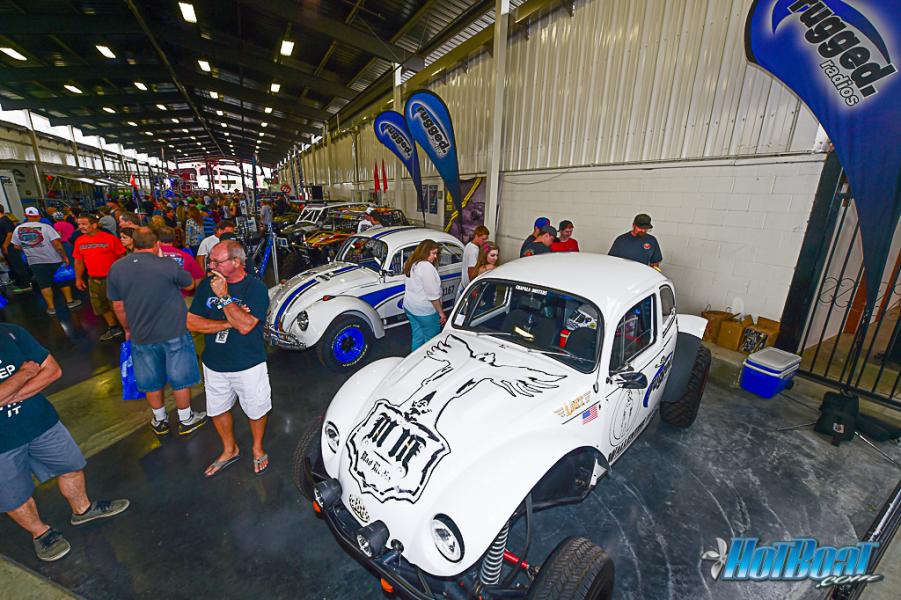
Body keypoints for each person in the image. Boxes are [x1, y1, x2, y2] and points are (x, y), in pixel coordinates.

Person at [0, 323, 129, 562]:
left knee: (71, 466)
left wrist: (9, 395)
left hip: (42, 423)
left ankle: (83, 510)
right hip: (3, 443)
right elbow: (35, 371)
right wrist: (24, 374)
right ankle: (41, 533)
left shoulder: (11, 333)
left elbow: (53, 370)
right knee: (14, 497)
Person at [106, 227, 208, 438]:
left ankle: (160, 420)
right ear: (157, 244)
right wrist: (162, 259)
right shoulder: (166, 264)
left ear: (133, 243)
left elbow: (118, 305)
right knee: (180, 377)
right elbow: (189, 284)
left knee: (150, 378)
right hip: (174, 331)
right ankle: (186, 419)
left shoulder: (117, 268)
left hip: (141, 334)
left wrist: (127, 329)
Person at [187, 240, 272, 477]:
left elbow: (245, 326)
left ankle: (257, 448)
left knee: (256, 409)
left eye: (216, 261)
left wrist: (224, 297)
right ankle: (230, 449)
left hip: (248, 363)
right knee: (217, 409)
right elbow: (191, 322)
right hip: (214, 363)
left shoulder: (255, 288)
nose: (210, 265)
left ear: (236, 262)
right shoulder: (207, 285)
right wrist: (228, 322)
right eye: (210, 260)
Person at [12, 207, 80, 315]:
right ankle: (70, 302)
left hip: (34, 261)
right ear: (39, 216)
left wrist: (29, 248)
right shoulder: (46, 227)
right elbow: (57, 245)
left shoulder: (18, 229)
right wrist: (64, 257)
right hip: (54, 259)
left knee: (44, 285)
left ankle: (51, 308)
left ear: (25, 216)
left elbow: (16, 246)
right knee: (62, 281)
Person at [72, 215, 126, 341]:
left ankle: (127, 329)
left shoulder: (110, 238)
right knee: (100, 305)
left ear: (94, 225)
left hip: (113, 279)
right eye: (79, 224)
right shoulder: (79, 241)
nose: (80, 227)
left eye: (84, 224)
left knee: (119, 305)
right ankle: (113, 328)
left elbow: (122, 257)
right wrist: (78, 278)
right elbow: (78, 261)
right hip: (94, 279)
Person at [403, 240, 446, 351]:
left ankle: (414, 358)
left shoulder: (411, 263)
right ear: (425, 252)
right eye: (433, 253)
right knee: (431, 341)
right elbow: (433, 295)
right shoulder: (426, 267)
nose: (435, 257)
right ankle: (428, 360)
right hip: (425, 311)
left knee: (418, 337)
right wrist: (441, 313)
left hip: (410, 307)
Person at [156, 226, 204, 297]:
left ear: (156, 239)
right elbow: (198, 277)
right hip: (181, 298)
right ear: (174, 238)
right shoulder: (186, 256)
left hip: (155, 298)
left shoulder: (150, 255)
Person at [0, 206, 28, 291]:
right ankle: (18, 282)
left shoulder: (5, 220)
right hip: (5, 246)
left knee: (17, 264)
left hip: (10, 246)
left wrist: (5, 245)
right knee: (12, 265)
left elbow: (10, 234)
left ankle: (26, 283)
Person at [458, 225, 489, 299]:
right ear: (476, 236)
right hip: (469, 286)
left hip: (464, 283)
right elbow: (471, 271)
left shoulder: (469, 245)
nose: (484, 242)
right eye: (483, 239)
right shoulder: (473, 251)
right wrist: (473, 290)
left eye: (486, 239)